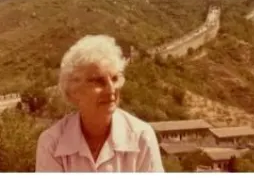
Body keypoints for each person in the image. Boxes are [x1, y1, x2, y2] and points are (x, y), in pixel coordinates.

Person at [35, 34, 164, 172]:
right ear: (73, 91)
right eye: (98, 81)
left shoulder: (141, 138)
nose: (111, 89)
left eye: (114, 79)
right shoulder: (52, 143)